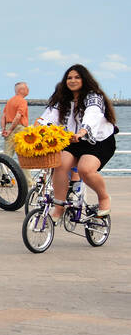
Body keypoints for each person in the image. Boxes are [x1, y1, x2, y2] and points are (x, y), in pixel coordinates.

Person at [37, 64, 117, 219]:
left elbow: (92, 114)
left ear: (84, 79)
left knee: (85, 170)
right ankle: (59, 207)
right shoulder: (63, 99)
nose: (72, 80)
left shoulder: (94, 96)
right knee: (59, 165)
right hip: (73, 140)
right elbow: (49, 116)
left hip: (98, 141)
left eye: (77, 77)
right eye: (69, 78)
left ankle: (103, 198)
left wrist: (82, 131)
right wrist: (36, 128)